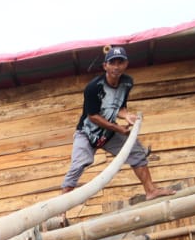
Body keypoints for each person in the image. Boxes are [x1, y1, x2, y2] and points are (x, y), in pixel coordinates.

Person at [60, 45, 176, 200]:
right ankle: (61, 210)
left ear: (126, 64)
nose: (116, 67)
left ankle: (151, 191)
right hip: (87, 133)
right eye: (112, 63)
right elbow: (93, 116)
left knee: (136, 152)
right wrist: (118, 128)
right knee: (78, 165)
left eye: (120, 62)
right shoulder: (94, 87)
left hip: (109, 134)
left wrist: (126, 116)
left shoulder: (127, 83)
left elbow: (120, 106)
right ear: (105, 66)